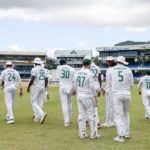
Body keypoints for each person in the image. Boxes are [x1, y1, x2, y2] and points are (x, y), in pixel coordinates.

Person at [107, 56, 134, 142]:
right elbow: (132, 84)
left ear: (117, 62)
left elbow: (109, 83)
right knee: (126, 114)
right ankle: (126, 133)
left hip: (116, 94)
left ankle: (121, 136)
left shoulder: (111, 70)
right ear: (123, 62)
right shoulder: (128, 70)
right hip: (127, 93)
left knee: (118, 115)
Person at [74, 58, 100, 139]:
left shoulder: (77, 73)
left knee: (81, 115)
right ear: (89, 64)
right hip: (87, 96)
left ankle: (82, 134)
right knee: (91, 115)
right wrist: (95, 98)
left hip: (80, 95)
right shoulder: (89, 73)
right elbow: (92, 87)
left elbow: (75, 85)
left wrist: (77, 92)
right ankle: (93, 134)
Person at [27, 57, 48, 124]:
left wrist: (28, 86)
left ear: (35, 63)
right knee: (40, 102)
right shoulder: (44, 70)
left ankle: (42, 114)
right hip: (42, 86)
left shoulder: (34, 69)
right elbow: (46, 79)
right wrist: (44, 87)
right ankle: (37, 117)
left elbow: (32, 78)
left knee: (33, 102)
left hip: (36, 86)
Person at [84, 56, 102, 129]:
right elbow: (99, 78)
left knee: (90, 106)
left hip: (90, 88)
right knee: (93, 105)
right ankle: (87, 120)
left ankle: (97, 122)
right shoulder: (97, 67)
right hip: (97, 86)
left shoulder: (86, 68)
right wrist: (100, 88)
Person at [57, 59, 75, 127]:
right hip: (70, 87)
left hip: (62, 87)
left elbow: (57, 77)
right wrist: (74, 89)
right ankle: (69, 119)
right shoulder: (72, 69)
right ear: (66, 62)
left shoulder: (59, 67)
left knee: (64, 104)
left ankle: (66, 121)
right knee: (70, 103)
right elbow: (74, 79)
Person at [102, 56, 115, 127]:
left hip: (110, 89)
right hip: (115, 89)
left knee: (109, 106)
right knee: (114, 106)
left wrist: (104, 89)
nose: (107, 62)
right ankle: (113, 121)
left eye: (108, 61)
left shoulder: (109, 70)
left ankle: (108, 122)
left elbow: (108, 82)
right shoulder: (115, 69)